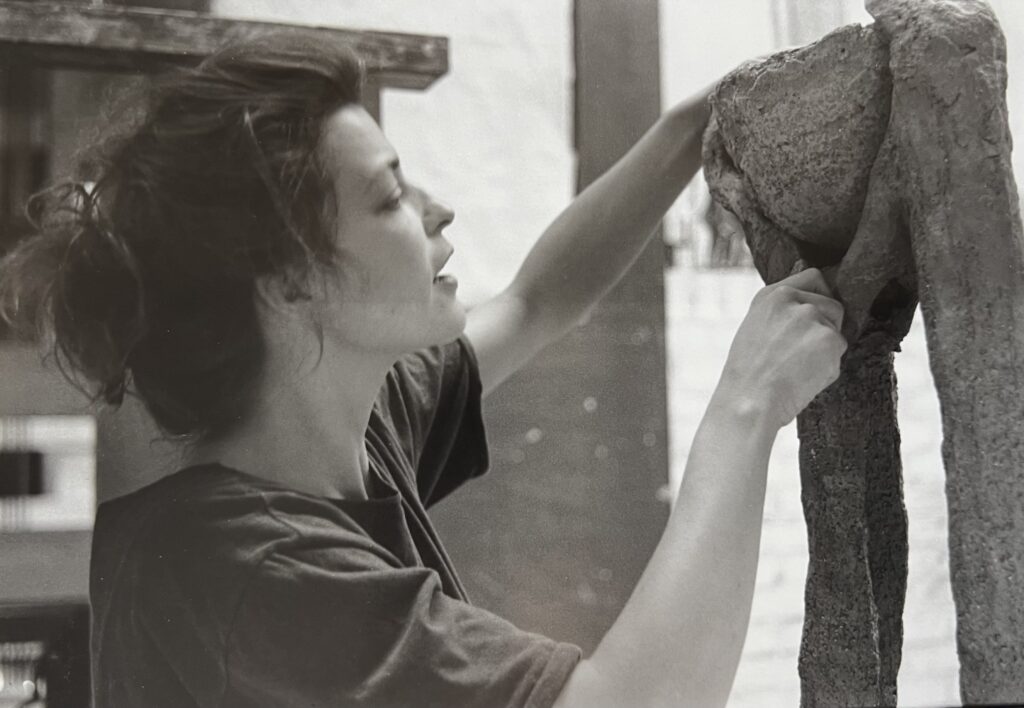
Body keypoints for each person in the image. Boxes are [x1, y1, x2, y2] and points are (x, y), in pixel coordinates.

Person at [0, 32, 847, 708]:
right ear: (292, 282)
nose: (439, 210)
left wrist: (694, 125)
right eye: (390, 197)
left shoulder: (350, 427)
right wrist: (748, 403)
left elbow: (540, 300)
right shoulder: (245, 572)